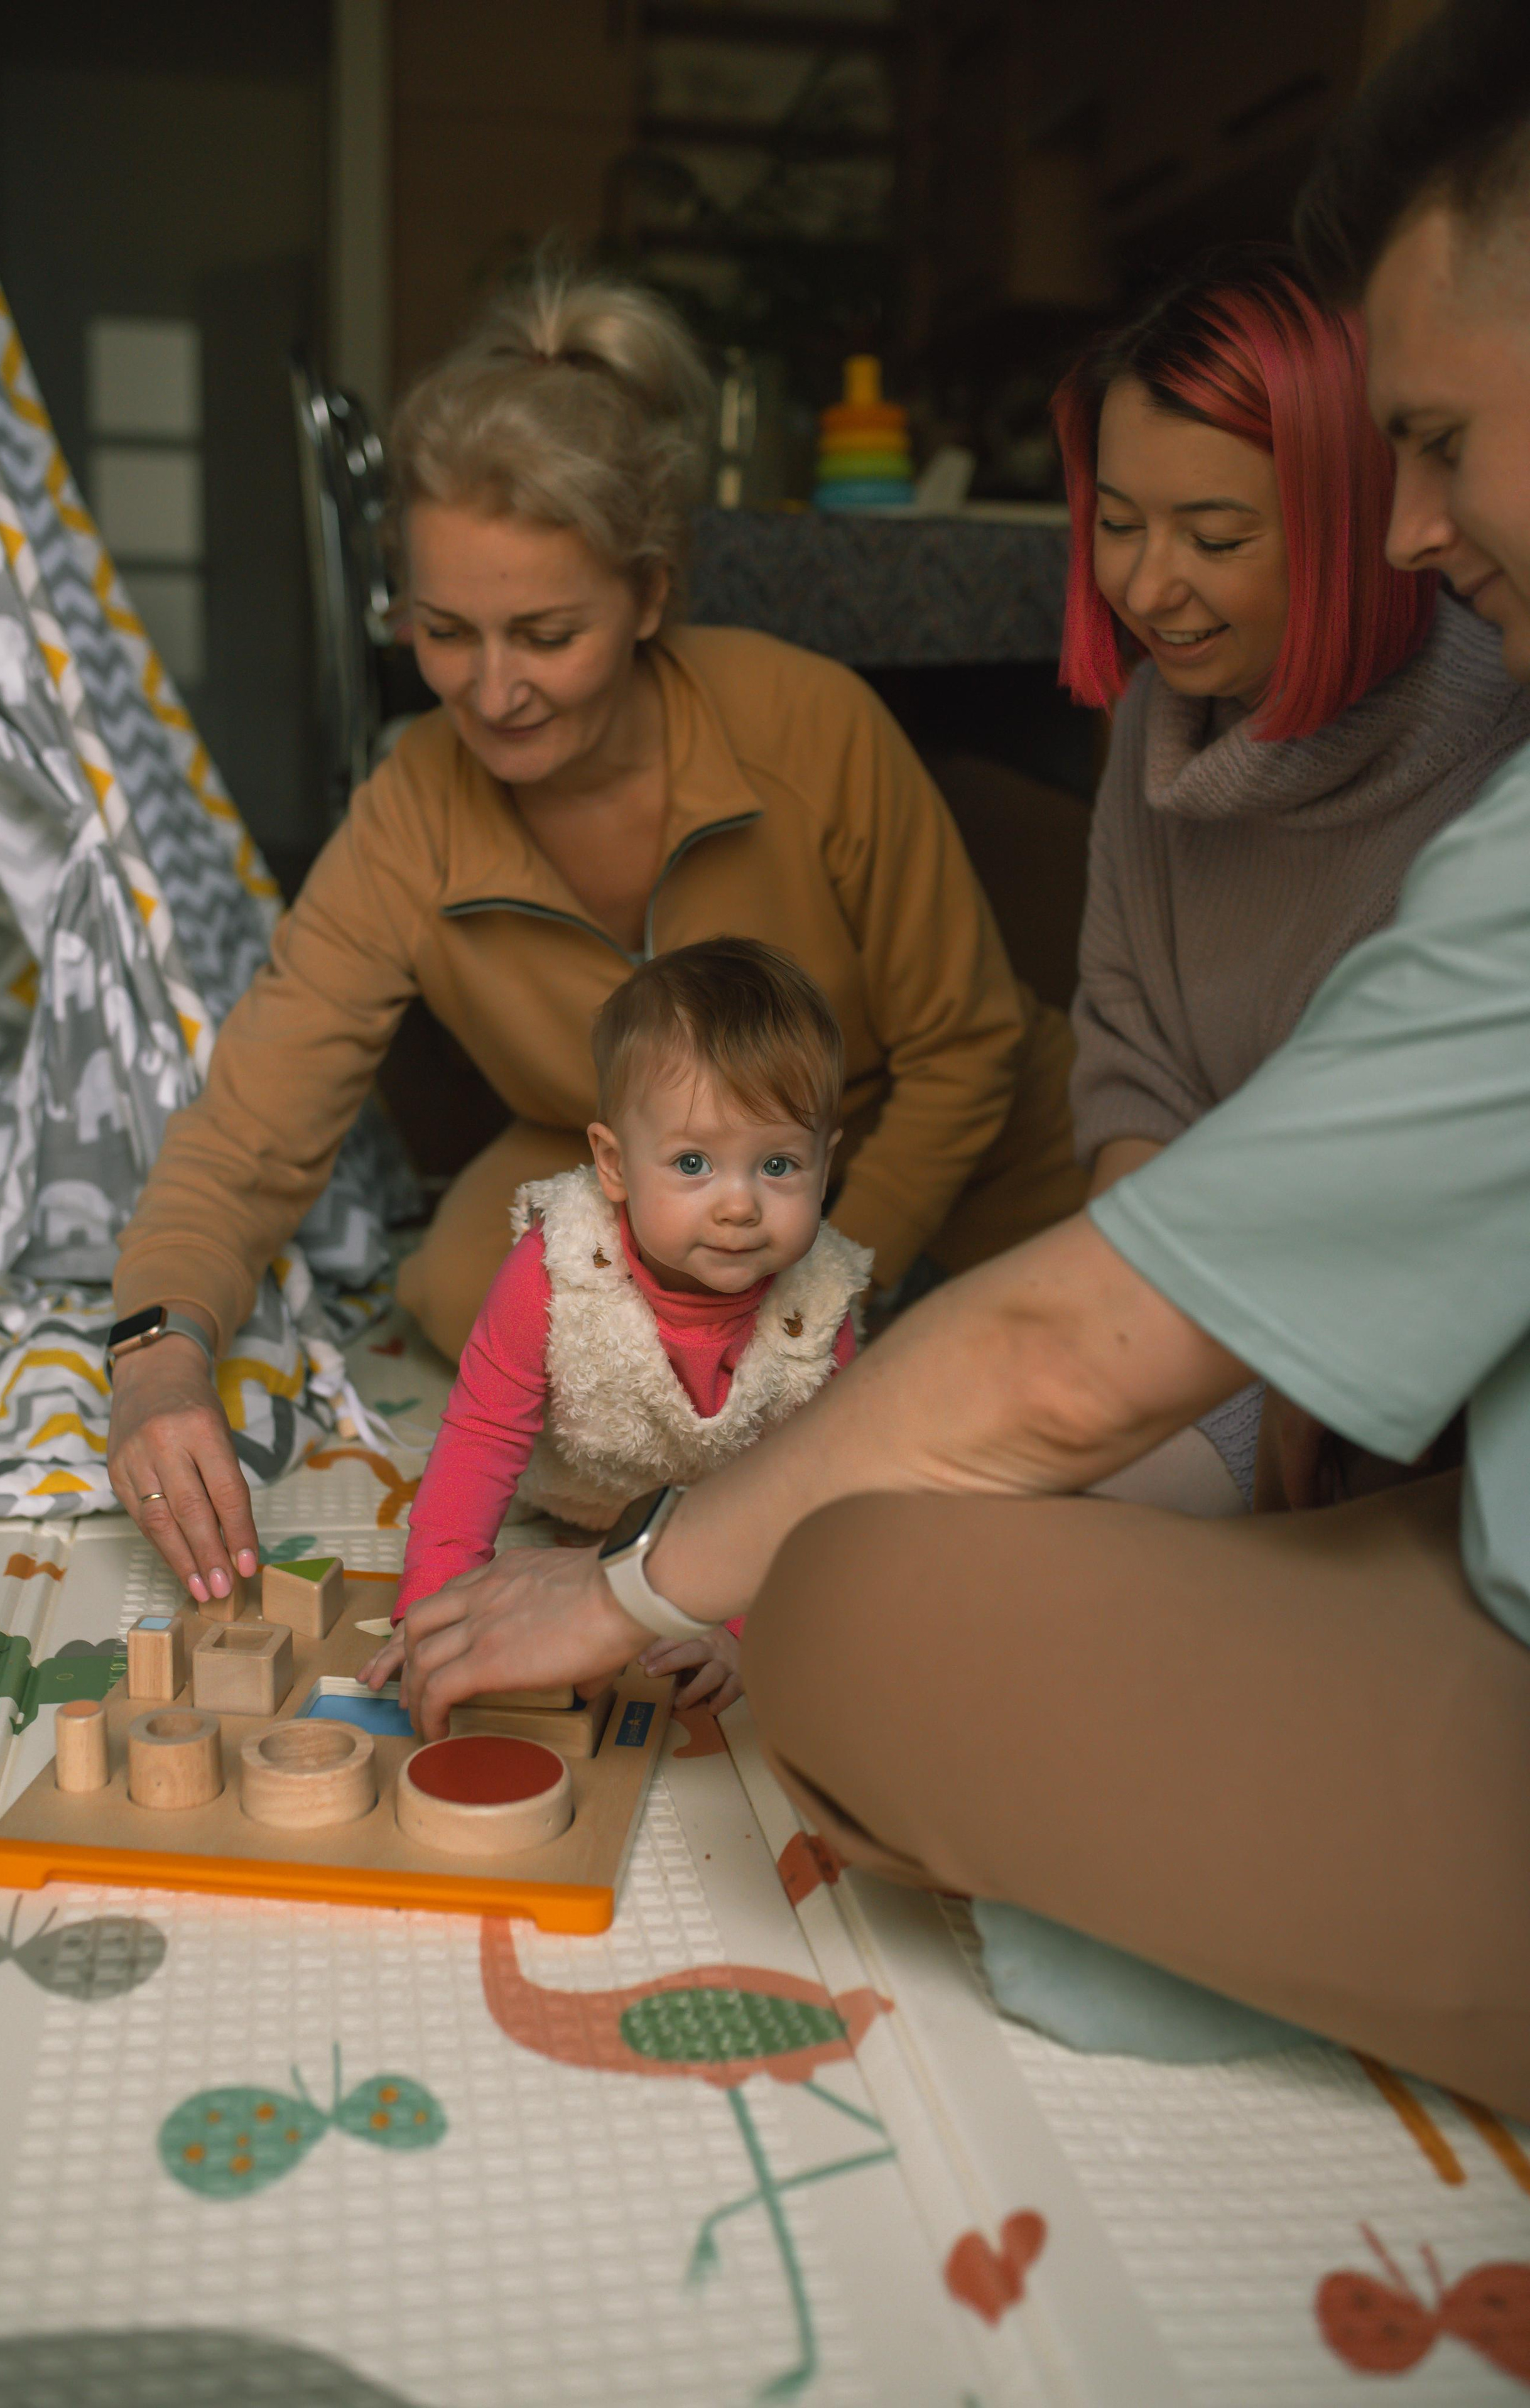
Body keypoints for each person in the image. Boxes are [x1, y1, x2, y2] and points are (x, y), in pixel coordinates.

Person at [381, 0, 1530, 2121]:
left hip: (1338, 1394)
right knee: (833, 1467)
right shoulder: (1155, 745)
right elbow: (1136, 1093)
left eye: (1438, 450)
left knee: (858, 1578)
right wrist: (166, 1332)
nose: (1415, 530)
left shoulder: (1476, 791)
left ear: (646, 596)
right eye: (448, 636)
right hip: (1230, 1324)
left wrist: (667, 1542)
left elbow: (1023, 1167)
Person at [107, 264, 1082, 1611]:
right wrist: (157, 1361)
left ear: (650, 595)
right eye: (444, 633)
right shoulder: (411, 807)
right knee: (464, 1274)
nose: (491, 690)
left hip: (948, 1147)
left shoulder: (813, 722)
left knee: (1056, 1438)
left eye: (546, 634)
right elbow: (251, 1132)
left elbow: (968, 1050)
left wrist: (805, 1304)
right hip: (662, 1175)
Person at [1055, 247, 1530, 1504]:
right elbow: (1138, 1079)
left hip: (1402, 1355)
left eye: (1214, 536)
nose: (1146, 586)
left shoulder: (1497, 755)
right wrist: (1113, 1362)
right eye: (1117, 523)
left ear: (1354, 525)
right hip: (1196, 1295)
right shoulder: (1157, 723)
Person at [374, 939, 867, 1715]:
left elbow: (810, 1489)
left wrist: (738, 1627)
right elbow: (481, 1434)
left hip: (721, 1527)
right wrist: (431, 1604)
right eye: (693, 1163)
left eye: (778, 1166)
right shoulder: (558, 1266)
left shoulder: (820, 1310)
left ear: (824, 1164)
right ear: (612, 1164)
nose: (740, 1206)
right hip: (581, 1500)